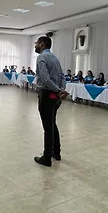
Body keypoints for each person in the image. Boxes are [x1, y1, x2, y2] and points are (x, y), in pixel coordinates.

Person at [33, 36, 68, 167]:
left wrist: (58, 90)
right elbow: (62, 76)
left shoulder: (41, 57)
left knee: (47, 127)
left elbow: (45, 79)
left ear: (42, 44)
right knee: (52, 124)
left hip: (47, 94)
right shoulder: (55, 58)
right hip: (55, 97)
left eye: (37, 43)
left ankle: (46, 157)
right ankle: (56, 152)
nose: (35, 45)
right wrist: (61, 90)